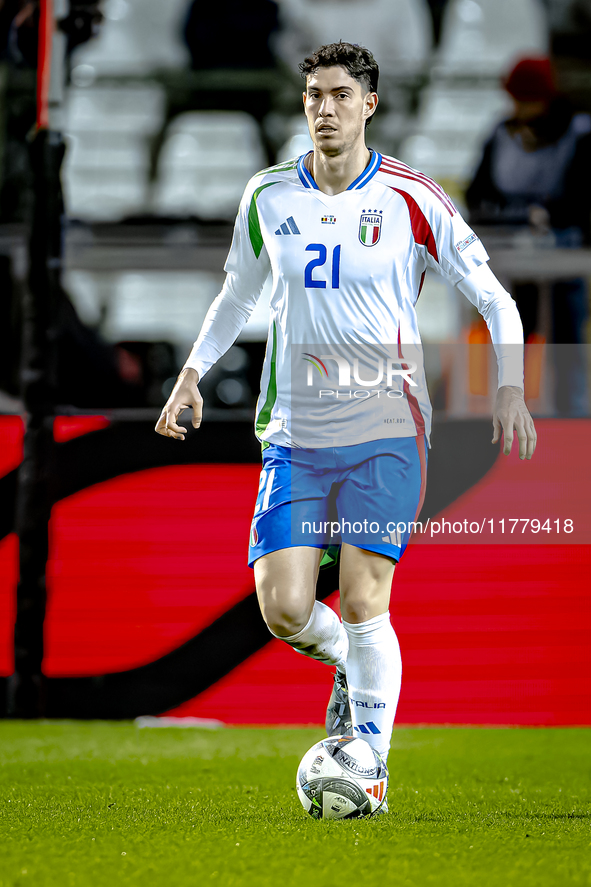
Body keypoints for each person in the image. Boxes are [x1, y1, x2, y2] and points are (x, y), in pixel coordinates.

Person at [156, 42, 536, 812]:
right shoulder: (267, 196)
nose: (322, 109)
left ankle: (371, 764)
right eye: (311, 97)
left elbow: (494, 297)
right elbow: (237, 295)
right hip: (293, 433)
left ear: (368, 104)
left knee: (366, 599)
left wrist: (508, 387)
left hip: (385, 429)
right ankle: (349, 668)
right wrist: (191, 371)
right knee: (284, 608)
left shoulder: (411, 197)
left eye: (337, 95)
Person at [466, 56, 591, 416]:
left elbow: (581, 198)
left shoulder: (578, 133)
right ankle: (512, 409)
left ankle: (572, 412)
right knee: (514, 333)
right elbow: (478, 192)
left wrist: (549, 213)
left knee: (565, 334)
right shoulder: (501, 134)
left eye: (528, 100)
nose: (521, 109)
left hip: (563, 250)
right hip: (512, 250)